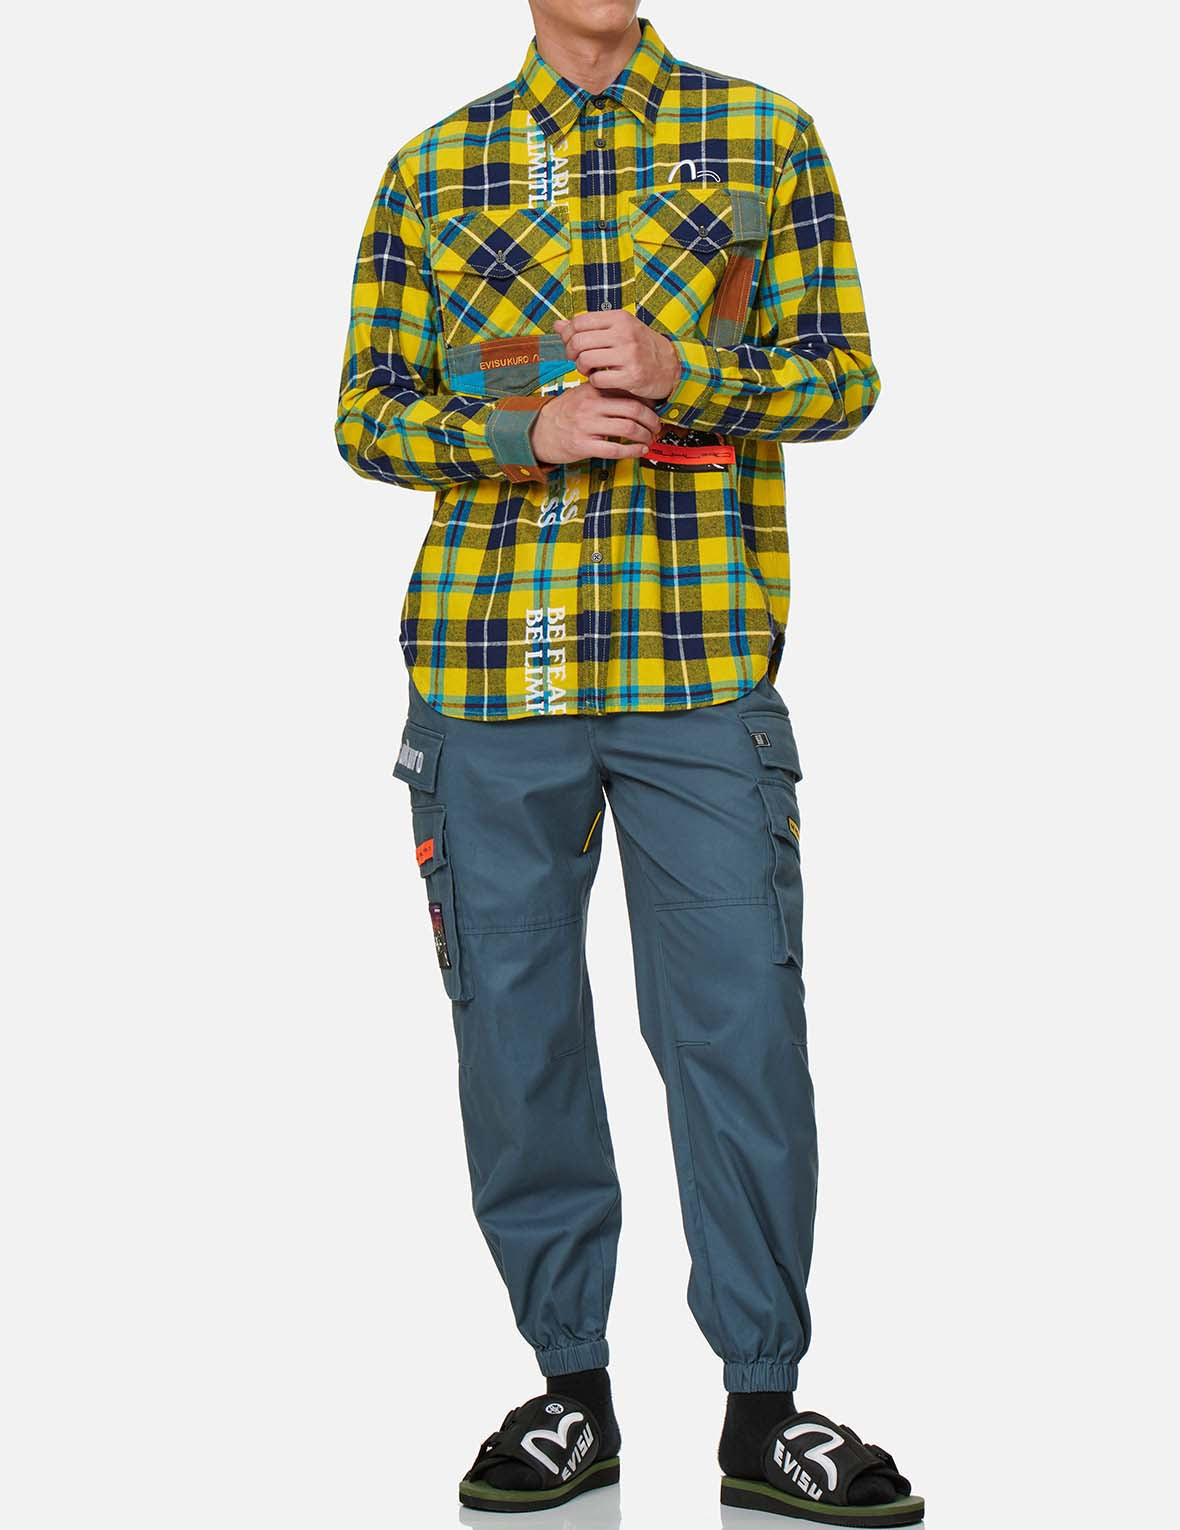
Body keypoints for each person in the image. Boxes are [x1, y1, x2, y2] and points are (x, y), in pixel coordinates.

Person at [335, 4, 922, 1522]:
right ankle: (569, 1394)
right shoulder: (433, 167)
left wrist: (689, 369)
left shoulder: (765, 138)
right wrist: (524, 427)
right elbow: (367, 415)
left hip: (698, 666)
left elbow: (842, 378)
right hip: (490, 670)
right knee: (516, 1035)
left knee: (743, 1031)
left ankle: (764, 1408)